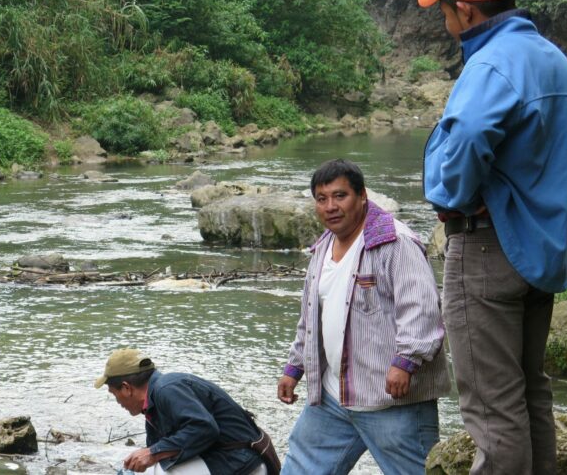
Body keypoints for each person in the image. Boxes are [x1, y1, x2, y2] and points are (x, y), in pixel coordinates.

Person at [418, 0, 567, 474]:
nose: (444, 20)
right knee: (531, 393)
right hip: (540, 252)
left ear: (466, 10)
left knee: (492, 409)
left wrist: (449, 194)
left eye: (444, 9)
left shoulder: (490, 62)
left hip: (488, 250)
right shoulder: (556, 62)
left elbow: (468, 133)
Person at [277, 159, 450, 474]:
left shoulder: (394, 242)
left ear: (362, 196)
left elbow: (422, 308)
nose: (331, 206)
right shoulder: (322, 249)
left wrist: (405, 361)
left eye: (340, 196)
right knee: (300, 469)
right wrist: (294, 368)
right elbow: (311, 318)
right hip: (333, 397)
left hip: (391, 400)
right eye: (322, 198)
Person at [96, 348, 271, 475]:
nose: (118, 402)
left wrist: (152, 453)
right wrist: (150, 454)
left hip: (240, 462)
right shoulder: (154, 400)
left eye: (114, 394)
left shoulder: (167, 388)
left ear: (126, 388)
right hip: (227, 460)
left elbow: (204, 428)